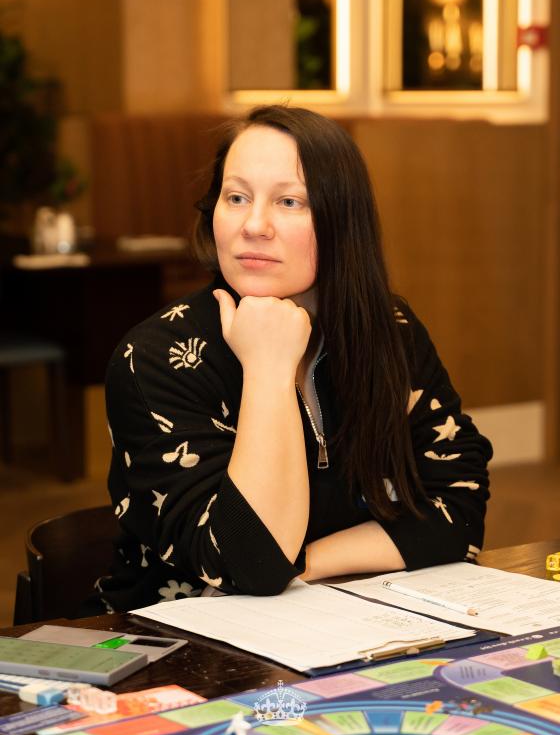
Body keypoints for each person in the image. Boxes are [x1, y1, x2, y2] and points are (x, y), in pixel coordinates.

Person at [94, 105, 492, 614]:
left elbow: (458, 507)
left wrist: (306, 564)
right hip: (177, 639)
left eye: (289, 201)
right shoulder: (157, 357)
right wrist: (268, 368)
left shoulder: (389, 329)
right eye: (236, 197)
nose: (254, 225)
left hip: (344, 617)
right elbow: (250, 566)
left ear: (342, 220)